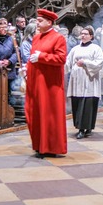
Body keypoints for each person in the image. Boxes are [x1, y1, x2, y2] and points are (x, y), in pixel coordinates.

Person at [25, 8, 68, 158]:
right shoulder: (37, 38)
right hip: (36, 81)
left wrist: (42, 57)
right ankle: (39, 145)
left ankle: (50, 146)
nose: (37, 23)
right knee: (36, 113)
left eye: (40, 20)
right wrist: (27, 68)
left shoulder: (58, 38)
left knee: (49, 114)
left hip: (50, 84)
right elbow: (33, 58)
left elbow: (61, 59)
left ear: (49, 22)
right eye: (37, 20)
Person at [66, 26, 103, 139]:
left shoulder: (96, 48)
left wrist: (85, 62)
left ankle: (87, 128)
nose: (83, 35)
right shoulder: (75, 49)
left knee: (87, 105)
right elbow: (68, 62)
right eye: (82, 33)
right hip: (76, 80)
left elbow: (99, 63)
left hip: (89, 80)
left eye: (86, 34)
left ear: (91, 36)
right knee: (78, 104)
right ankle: (80, 127)